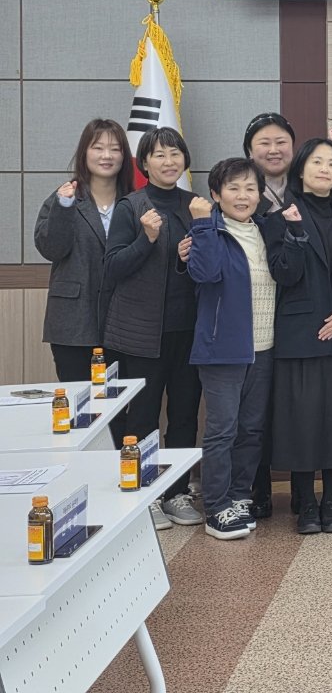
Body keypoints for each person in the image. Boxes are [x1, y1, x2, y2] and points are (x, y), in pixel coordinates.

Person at [241, 112, 332, 520]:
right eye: (316, 162)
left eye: (331, 164)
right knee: (303, 424)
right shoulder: (279, 217)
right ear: (301, 169)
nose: (324, 169)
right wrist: (294, 234)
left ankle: (330, 501)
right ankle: (306, 503)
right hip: (300, 337)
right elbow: (284, 274)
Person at [102, 126, 202, 530]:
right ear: (144, 163)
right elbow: (113, 267)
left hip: (189, 331)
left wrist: (187, 257)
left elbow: (205, 267)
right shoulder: (132, 206)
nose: (169, 161)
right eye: (159, 154)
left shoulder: (196, 205)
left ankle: (177, 492)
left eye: (175, 154)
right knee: (142, 418)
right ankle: (145, 494)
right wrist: (147, 238)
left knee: (184, 415)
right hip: (142, 333)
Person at [186, 157, 275, 540]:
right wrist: (202, 224)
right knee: (222, 431)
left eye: (250, 188)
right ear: (216, 194)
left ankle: (239, 496)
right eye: (233, 188)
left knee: (251, 430)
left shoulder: (266, 231)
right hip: (222, 350)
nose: (243, 196)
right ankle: (216, 506)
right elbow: (204, 273)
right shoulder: (211, 231)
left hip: (265, 347)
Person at [34, 118, 133, 384]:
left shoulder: (134, 201)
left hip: (122, 323)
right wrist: (64, 207)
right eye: (98, 147)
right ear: (84, 153)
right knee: (77, 400)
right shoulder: (64, 197)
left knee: (116, 401)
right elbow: (51, 249)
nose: (106, 155)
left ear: (124, 156)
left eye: (114, 149)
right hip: (73, 321)